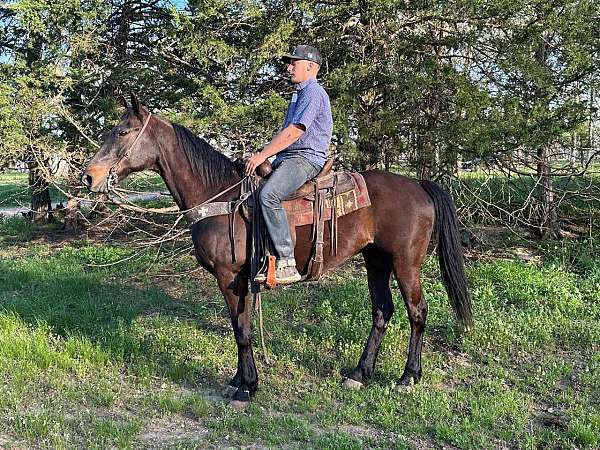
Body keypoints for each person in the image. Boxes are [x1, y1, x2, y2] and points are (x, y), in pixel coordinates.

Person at [245, 45, 333, 284]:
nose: (289, 67)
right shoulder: (299, 95)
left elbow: (294, 132)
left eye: (294, 63)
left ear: (310, 67)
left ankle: (286, 261)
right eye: (289, 63)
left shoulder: (313, 93)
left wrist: (263, 155)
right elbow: (286, 135)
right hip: (290, 158)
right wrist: (270, 157)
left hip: (306, 159)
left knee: (269, 195)